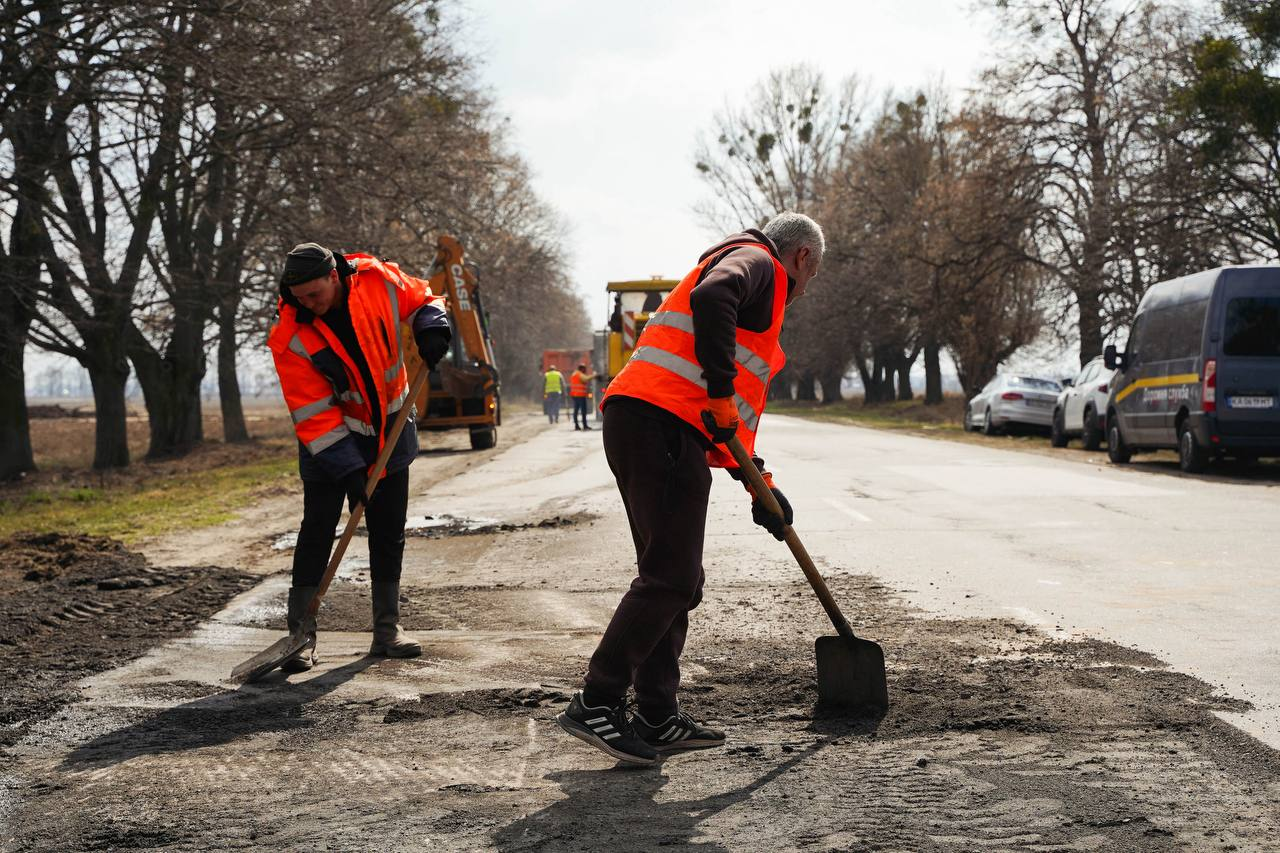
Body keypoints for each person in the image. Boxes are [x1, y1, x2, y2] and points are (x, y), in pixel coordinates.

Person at [556, 212, 824, 765]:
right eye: (811, 276)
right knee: (671, 577)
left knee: (676, 577)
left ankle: (656, 715)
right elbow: (714, 299)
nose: (801, 290)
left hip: (647, 424)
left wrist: (761, 487)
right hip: (659, 427)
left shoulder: (753, 287)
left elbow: (728, 419)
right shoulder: (759, 264)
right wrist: (723, 391)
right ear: (801, 258)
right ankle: (598, 700)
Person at [268, 243, 451, 672]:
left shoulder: (377, 281)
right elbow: (314, 415)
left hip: (390, 427)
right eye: (301, 299)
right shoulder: (290, 336)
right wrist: (348, 469)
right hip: (329, 443)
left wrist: (431, 327)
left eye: (315, 295)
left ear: (334, 277)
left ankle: (387, 629)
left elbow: (424, 297)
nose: (309, 305)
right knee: (318, 528)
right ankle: (302, 631)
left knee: (388, 530)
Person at [569, 363, 600, 431]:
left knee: (576, 411)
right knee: (583, 411)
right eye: (584, 369)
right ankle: (584, 425)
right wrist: (594, 376)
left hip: (575, 395)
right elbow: (586, 379)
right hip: (580, 395)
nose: (585, 370)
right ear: (582, 369)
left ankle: (577, 425)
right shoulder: (579, 374)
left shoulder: (574, 374)